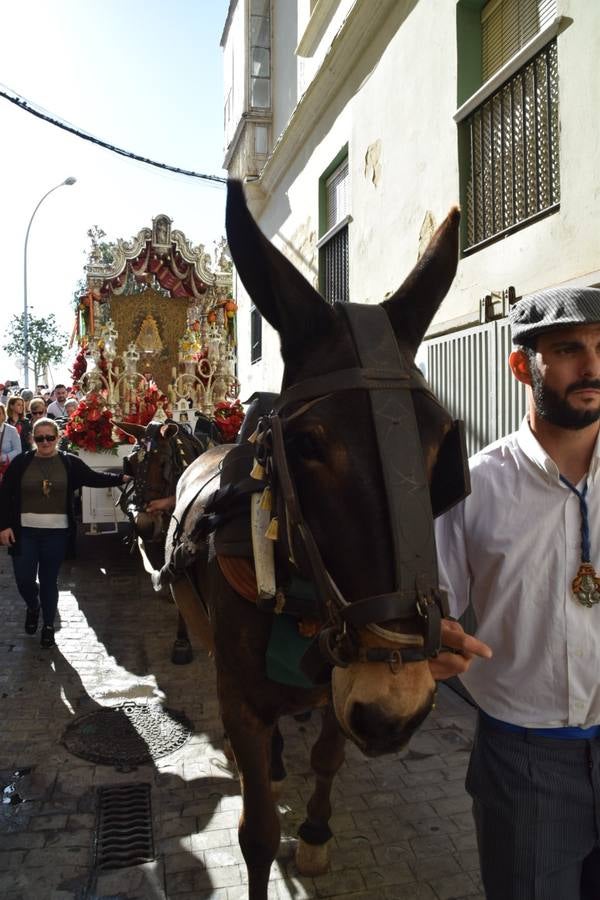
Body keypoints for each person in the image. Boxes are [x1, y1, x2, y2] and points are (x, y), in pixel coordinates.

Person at [435, 286, 600, 900]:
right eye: (568, 349)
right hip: (525, 764)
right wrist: (430, 642)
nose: (592, 367)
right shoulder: (475, 486)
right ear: (521, 364)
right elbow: (435, 607)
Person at [0, 416, 132, 648]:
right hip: (25, 534)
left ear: (58, 438)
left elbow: (93, 477)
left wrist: (122, 478)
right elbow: (4, 495)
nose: (45, 442)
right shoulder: (21, 463)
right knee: (24, 580)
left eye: (50, 437)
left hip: (56, 534)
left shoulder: (69, 462)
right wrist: (4, 525)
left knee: (50, 581)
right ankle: (33, 606)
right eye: (40, 438)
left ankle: (48, 626)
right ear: (33, 439)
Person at [0, 402, 22, 473]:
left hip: (5, 470)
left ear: (4, 415)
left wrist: (4, 457)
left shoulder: (11, 430)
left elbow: (18, 450)